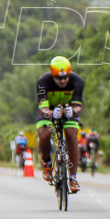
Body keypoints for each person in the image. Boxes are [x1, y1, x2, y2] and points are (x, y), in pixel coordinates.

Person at [36, 55, 84, 193]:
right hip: (48, 111)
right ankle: (47, 163)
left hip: (68, 111)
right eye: (59, 78)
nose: (63, 81)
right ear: (52, 75)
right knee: (44, 134)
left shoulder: (77, 81)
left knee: (71, 134)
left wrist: (72, 111)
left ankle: (73, 177)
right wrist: (51, 114)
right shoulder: (43, 82)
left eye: (65, 77)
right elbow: (42, 109)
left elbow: (78, 107)